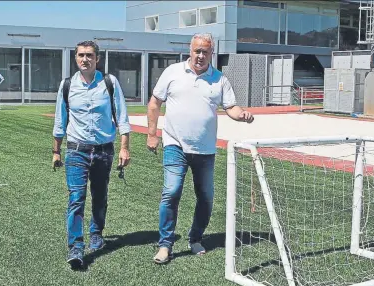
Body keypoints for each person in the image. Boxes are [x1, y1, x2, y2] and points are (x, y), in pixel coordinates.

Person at [146, 33, 254, 264]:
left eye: (206, 51)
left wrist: (242, 115)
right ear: (190, 50)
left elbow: (231, 107)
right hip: (175, 144)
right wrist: (152, 134)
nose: (201, 55)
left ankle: (195, 238)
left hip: (205, 150)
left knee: (205, 197)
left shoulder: (219, 79)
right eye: (198, 51)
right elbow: (154, 103)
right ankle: (165, 245)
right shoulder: (172, 72)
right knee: (171, 192)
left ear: (211, 53)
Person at [52, 40, 132, 269]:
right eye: (80, 55)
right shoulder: (67, 85)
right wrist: (56, 151)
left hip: (104, 151)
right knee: (76, 198)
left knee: (99, 196)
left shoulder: (109, 83)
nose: (84, 59)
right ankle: (76, 246)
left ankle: (96, 232)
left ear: (97, 59)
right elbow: (60, 120)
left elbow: (122, 118)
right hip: (76, 151)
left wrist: (124, 147)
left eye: (89, 55)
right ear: (75, 58)